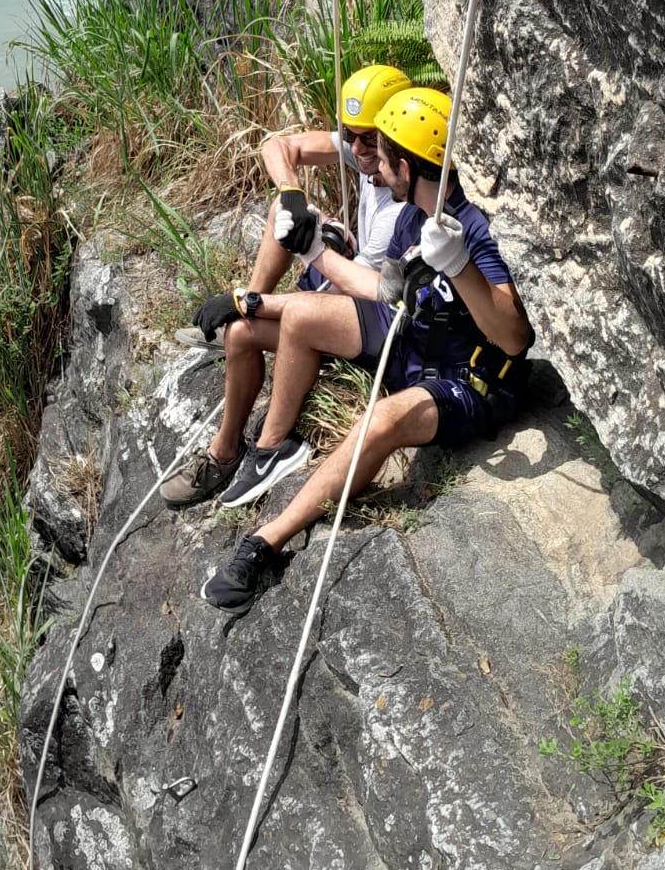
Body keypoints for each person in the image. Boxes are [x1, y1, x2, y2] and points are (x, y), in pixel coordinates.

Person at [195, 88, 534, 612]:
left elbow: (513, 337)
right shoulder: (410, 220)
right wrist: (296, 263)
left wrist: (461, 265)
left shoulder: (469, 229)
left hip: (465, 382)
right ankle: (268, 451)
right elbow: (383, 291)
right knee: (303, 315)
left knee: (381, 418)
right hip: (412, 343)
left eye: (380, 155)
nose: (371, 166)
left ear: (404, 164)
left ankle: (265, 542)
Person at [162, 65, 412, 507]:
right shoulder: (368, 153)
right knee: (283, 218)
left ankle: (258, 448)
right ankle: (226, 450)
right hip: (356, 291)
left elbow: (367, 292)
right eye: (350, 136)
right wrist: (293, 196)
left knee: (267, 320)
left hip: (377, 315)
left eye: (368, 139)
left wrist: (254, 302)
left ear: (393, 138)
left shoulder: (400, 204)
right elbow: (278, 145)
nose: (356, 149)